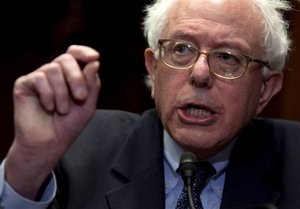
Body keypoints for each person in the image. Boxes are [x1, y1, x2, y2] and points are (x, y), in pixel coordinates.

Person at [1, 0, 300, 208]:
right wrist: (27, 167)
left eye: (228, 57)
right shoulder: (79, 145)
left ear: (265, 89)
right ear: (154, 69)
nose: (199, 74)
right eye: (181, 49)